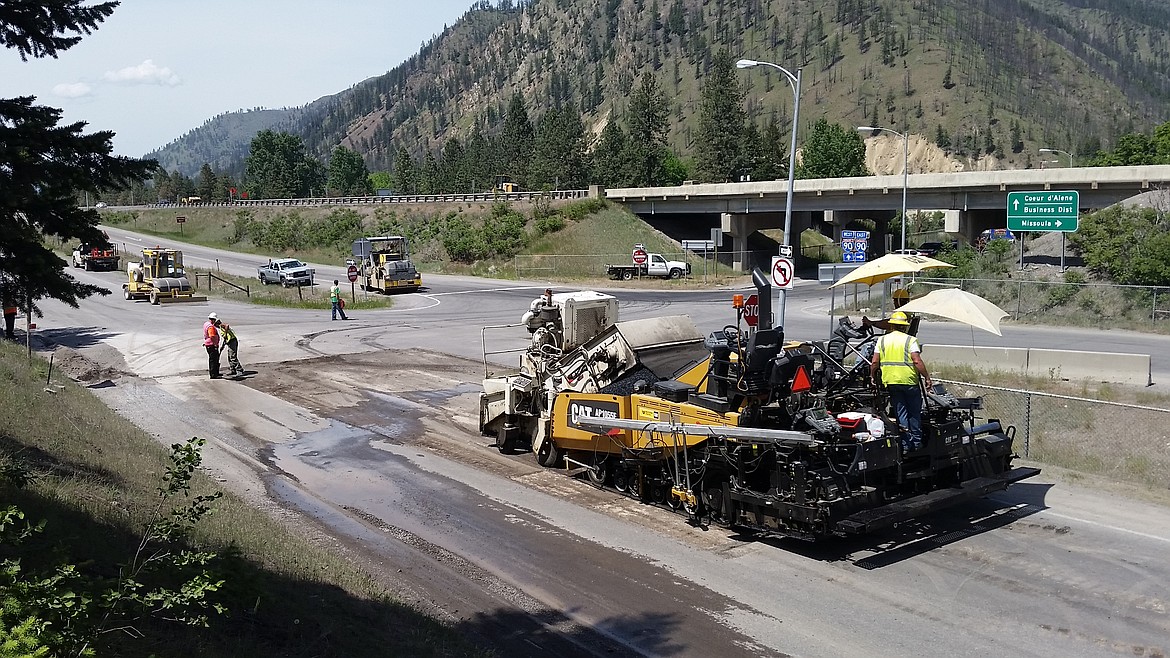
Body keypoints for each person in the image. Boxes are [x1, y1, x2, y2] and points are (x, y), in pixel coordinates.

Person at [869, 310, 933, 452]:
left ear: (891, 326)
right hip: (909, 381)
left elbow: (874, 362)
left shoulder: (882, 340)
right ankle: (916, 443)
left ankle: (905, 444)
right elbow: (917, 361)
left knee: (901, 413)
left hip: (891, 381)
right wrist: (927, 377)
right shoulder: (910, 340)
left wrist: (872, 376)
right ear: (904, 326)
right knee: (914, 412)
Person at [203, 312, 222, 379]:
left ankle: (215, 373)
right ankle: (213, 374)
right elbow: (212, 336)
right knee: (214, 360)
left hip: (208, 344)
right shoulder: (211, 327)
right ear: (214, 319)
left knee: (214, 359)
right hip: (211, 345)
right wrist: (215, 344)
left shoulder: (206, 324)